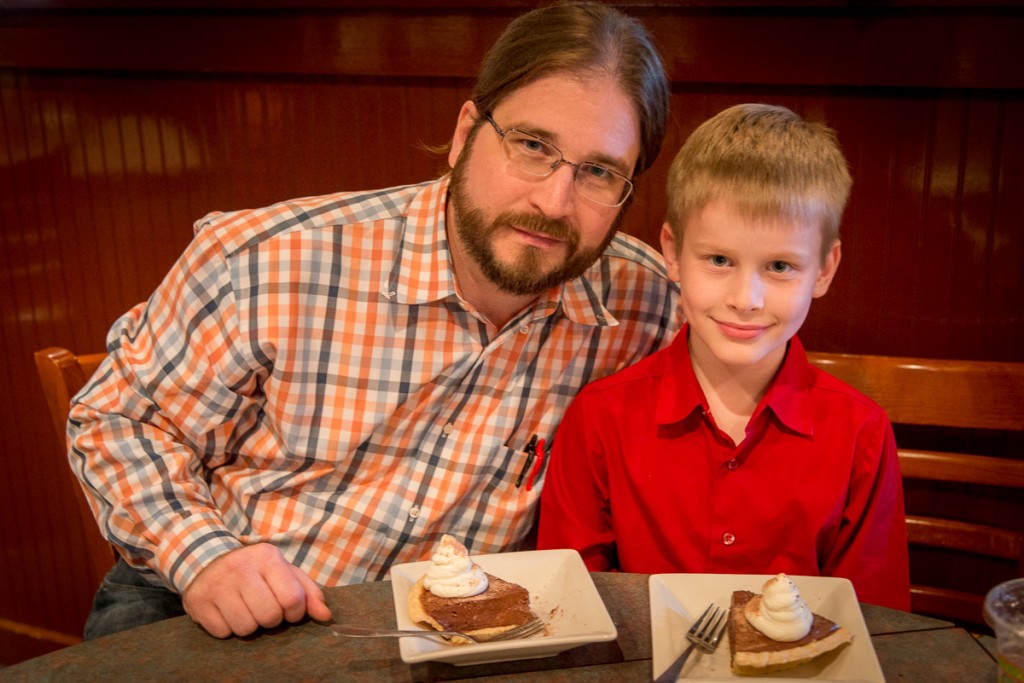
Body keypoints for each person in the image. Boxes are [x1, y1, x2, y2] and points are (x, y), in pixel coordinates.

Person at [68, 2, 679, 640]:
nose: (553, 202)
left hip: (446, 635)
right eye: (531, 146)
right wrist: (205, 556)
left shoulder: (645, 305)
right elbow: (116, 418)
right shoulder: (267, 258)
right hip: (208, 602)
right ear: (467, 132)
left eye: (600, 172)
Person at [537, 103, 911, 610]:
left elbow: (876, 619)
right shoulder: (601, 418)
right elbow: (572, 604)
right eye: (718, 260)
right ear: (672, 251)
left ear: (824, 269)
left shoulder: (859, 433)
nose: (746, 298)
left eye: (780, 266)